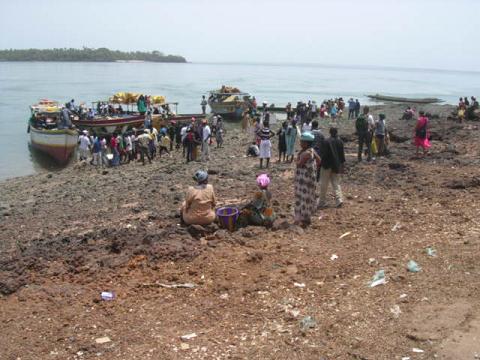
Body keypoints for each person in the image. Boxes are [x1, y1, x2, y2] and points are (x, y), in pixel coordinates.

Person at [294, 132, 320, 227]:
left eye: (302, 141)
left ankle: (304, 219)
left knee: (303, 197)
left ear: (306, 143)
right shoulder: (312, 151)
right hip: (308, 178)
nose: (300, 143)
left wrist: (298, 159)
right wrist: (311, 168)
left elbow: (299, 164)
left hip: (304, 180)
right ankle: (305, 217)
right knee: (307, 197)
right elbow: (319, 160)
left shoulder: (306, 153)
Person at [318, 127, 345, 208]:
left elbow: (322, 153)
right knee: (336, 183)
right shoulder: (340, 141)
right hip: (336, 165)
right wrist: (342, 166)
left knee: (323, 184)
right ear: (337, 132)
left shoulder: (326, 141)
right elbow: (342, 156)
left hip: (326, 165)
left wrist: (320, 163)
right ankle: (339, 199)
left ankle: (322, 202)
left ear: (330, 132)